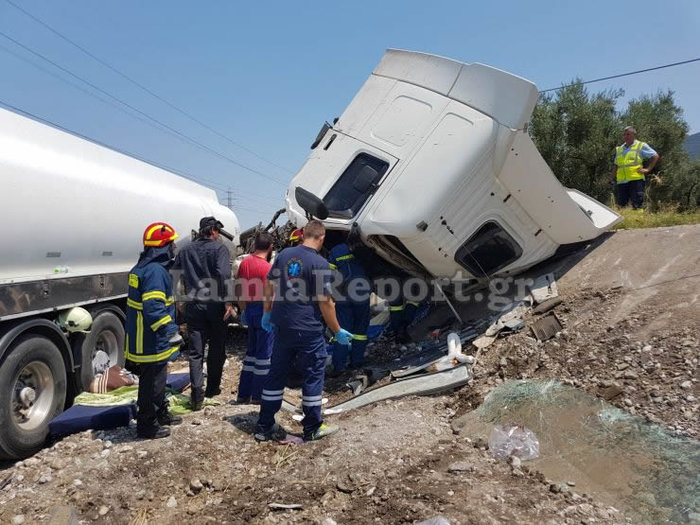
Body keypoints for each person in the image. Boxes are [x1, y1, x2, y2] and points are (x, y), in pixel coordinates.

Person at [255, 220, 352, 442]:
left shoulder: (284, 255)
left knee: (276, 374)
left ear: (303, 235)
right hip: (308, 330)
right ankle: (312, 428)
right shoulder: (320, 263)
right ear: (322, 237)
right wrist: (337, 330)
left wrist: (267, 312)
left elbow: (269, 286)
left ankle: (264, 426)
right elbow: (325, 302)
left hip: (283, 327)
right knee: (313, 377)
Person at [125, 222, 183, 439]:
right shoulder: (155, 272)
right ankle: (147, 425)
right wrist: (170, 331)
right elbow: (154, 308)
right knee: (151, 384)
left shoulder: (141, 267)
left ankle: (160, 413)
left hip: (144, 336)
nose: (174, 248)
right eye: (171, 243)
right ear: (162, 246)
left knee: (158, 380)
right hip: (150, 338)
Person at [173, 216, 234, 410]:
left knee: (196, 352)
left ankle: (197, 395)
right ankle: (212, 389)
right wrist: (228, 302)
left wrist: (179, 300)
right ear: (214, 231)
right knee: (217, 348)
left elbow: (174, 274)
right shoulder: (219, 249)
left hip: (194, 306)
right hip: (216, 306)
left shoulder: (186, 250)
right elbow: (224, 275)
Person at [236, 232, 274, 403]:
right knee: (264, 357)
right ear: (270, 247)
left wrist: (243, 309)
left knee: (250, 354)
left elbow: (239, 288)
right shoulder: (267, 268)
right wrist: (268, 314)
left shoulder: (244, 263)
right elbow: (268, 295)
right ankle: (258, 396)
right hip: (262, 310)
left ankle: (243, 394)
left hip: (249, 309)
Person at [328, 239, 371, 372]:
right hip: (361, 292)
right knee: (360, 331)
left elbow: (331, 276)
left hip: (342, 295)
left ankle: (339, 367)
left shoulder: (335, 251)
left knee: (341, 331)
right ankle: (356, 362)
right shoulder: (362, 247)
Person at [611, 126, 660, 210]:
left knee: (637, 203)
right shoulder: (619, 149)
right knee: (621, 205)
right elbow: (616, 165)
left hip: (636, 179)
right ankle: (625, 222)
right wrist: (611, 177)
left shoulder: (641, 145)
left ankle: (639, 220)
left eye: (628, 134)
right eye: (624, 134)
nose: (626, 136)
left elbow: (655, 156)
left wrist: (648, 169)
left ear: (634, 135)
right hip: (621, 181)